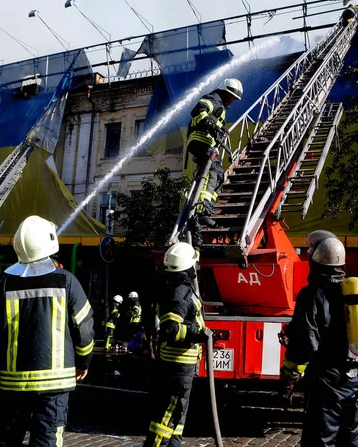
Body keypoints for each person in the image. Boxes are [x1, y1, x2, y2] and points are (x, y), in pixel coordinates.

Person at [0, 215, 94, 447]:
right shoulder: (67, 281)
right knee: (47, 438)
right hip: (55, 384)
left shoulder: (4, 284)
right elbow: (85, 328)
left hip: (14, 383)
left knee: (8, 438)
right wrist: (83, 362)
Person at [279, 232, 358, 447]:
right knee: (351, 442)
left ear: (315, 260)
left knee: (319, 441)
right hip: (352, 381)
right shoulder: (350, 293)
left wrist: (289, 375)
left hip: (326, 383)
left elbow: (305, 344)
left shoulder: (311, 295)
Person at [143, 241, 211, 447]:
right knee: (166, 417)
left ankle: (174, 444)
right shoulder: (178, 292)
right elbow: (171, 330)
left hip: (179, 363)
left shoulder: (176, 285)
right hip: (178, 365)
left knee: (176, 416)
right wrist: (198, 333)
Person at [186, 78, 243, 233]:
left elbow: (214, 123)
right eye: (230, 96)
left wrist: (219, 130)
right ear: (224, 92)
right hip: (200, 141)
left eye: (234, 98)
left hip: (206, 144)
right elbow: (198, 110)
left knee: (218, 174)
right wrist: (212, 124)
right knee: (211, 173)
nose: (231, 100)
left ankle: (206, 206)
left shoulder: (221, 106)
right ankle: (201, 209)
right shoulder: (214, 99)